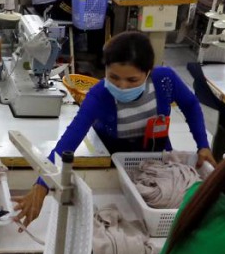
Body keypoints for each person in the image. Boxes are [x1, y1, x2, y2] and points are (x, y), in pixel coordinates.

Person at [13, 31, 212, 225]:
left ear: (148, 72)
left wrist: (203, 144)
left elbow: (191, 106)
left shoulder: (164, 80)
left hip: (159, 161)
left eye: (132, 80)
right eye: (114, 77)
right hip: (117, 168)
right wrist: (42, 185)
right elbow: (69, 140)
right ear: (105, 69)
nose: (122, 86)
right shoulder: (99, 96)